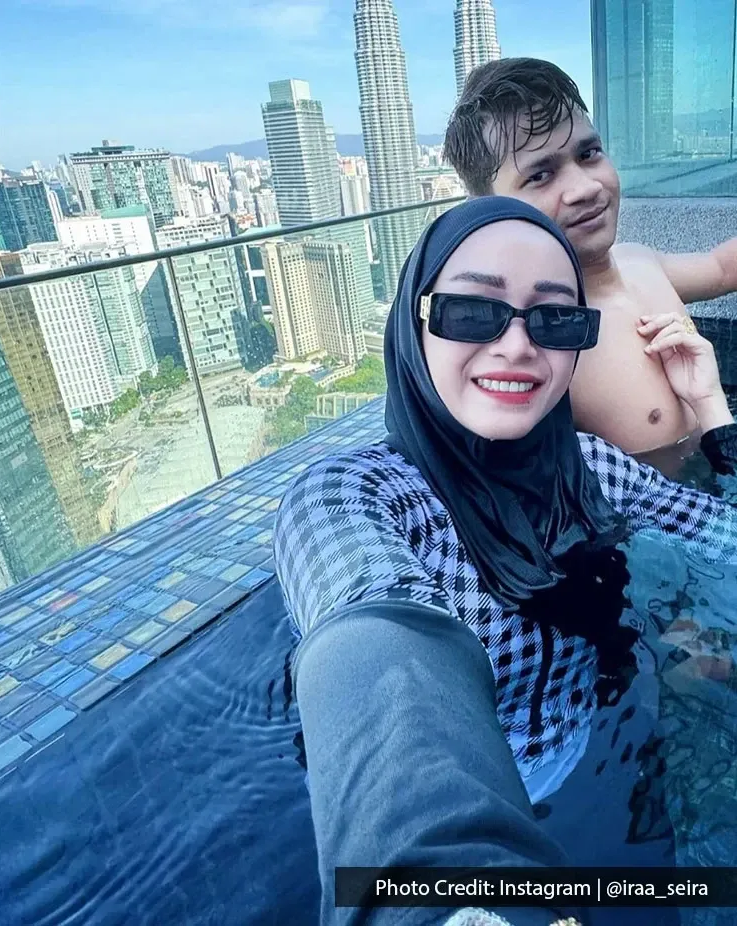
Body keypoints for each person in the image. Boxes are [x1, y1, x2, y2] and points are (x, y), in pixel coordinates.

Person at [273, 197, 737, 926]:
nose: (519, 346)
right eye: (471, 312)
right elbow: (373, 642)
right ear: (413, 321)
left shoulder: (590, 470)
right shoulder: (352, 497)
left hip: (594, 769)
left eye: (554, 318)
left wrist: (712, 412)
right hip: (457, 813)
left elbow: (727, 539)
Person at [443, 58, 737, 479]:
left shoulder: (640, 262)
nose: (585, 188)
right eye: (541, 175)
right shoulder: (537, 344)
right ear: (491, 208)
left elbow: (722, 268)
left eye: (589, 153)